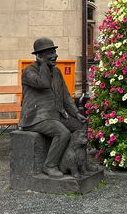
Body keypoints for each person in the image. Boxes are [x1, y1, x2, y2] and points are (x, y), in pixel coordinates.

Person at [20, 38, 87, 178]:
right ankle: (49, 165)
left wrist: (75, 113)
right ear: (39, 56)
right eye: (50, 53)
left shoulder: (56, 71)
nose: (55, 55)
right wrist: (43, 65)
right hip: (36, 118)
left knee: (80, 126)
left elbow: (66, 96)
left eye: (54, 51)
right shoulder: (28, 72)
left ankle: (79, 162)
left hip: (54, 115)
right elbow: (43, 83)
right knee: (63, 133)